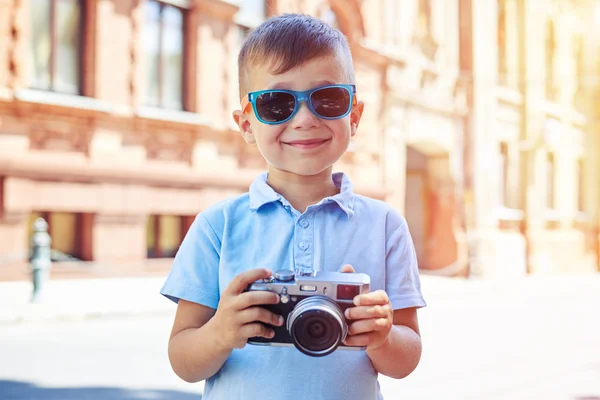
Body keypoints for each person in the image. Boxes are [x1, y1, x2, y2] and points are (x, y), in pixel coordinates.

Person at [161, 13, 426, 400]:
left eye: (328, 98)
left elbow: (406, 359)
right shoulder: (217, 226)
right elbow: (183, 361)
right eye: (276, 103)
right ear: (247, 124)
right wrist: (219, 334)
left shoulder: (385, 225)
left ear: (354, 115)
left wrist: (381, 336)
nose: (304, 118)